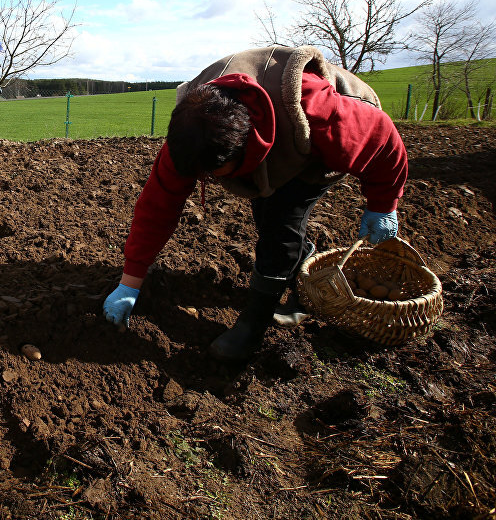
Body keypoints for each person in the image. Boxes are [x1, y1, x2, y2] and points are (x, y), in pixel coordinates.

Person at [102, 45, 408, 360]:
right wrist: (130, 283)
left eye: (213, 174)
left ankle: (253, 325)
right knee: (269, 216)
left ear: (245, 149)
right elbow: (157, 206)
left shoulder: (322, 115)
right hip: (267, 140)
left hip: (315, 144)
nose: (205, 181)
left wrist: (383, 205)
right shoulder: (192, 130)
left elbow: (383, 138)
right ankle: (303, 264)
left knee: (279, 222)